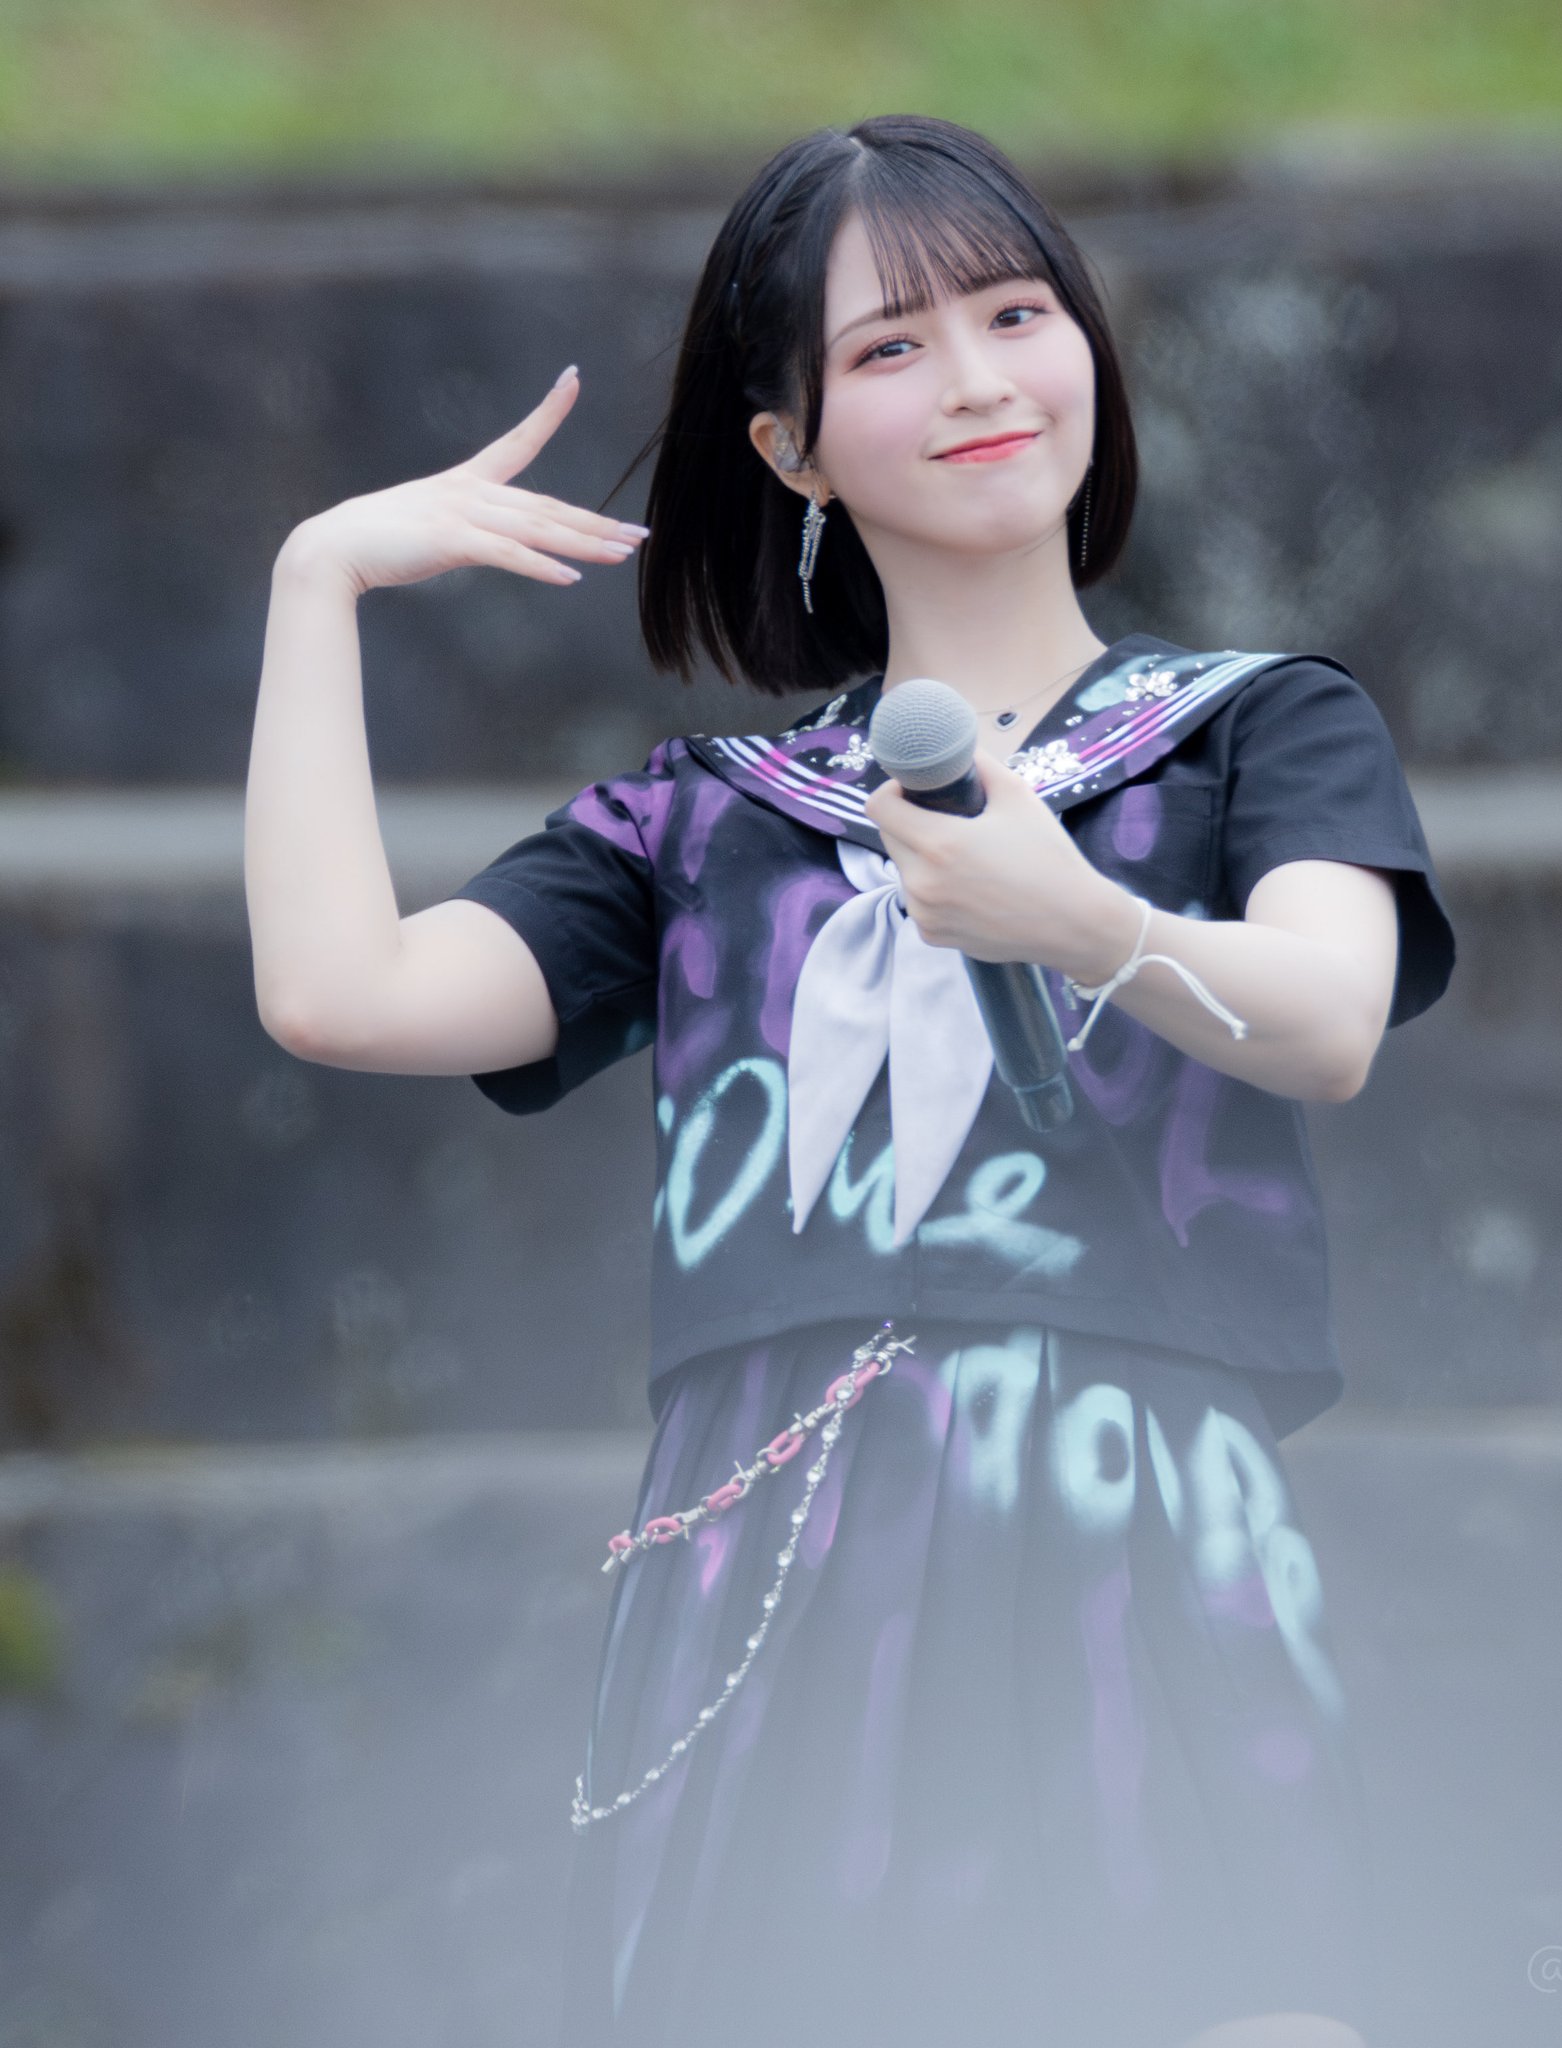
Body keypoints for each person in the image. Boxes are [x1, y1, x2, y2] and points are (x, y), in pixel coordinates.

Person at [244, 113, 1455, 2048]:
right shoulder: (705, 822)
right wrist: (317, 587)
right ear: (790, 447)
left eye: (1015, 314)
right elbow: (340, 992)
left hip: (1133, 1533)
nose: (977, 379)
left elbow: (1327, 1018)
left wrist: (1076, 918)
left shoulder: (1252, 733)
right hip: (768, 1588)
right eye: (892, 346)